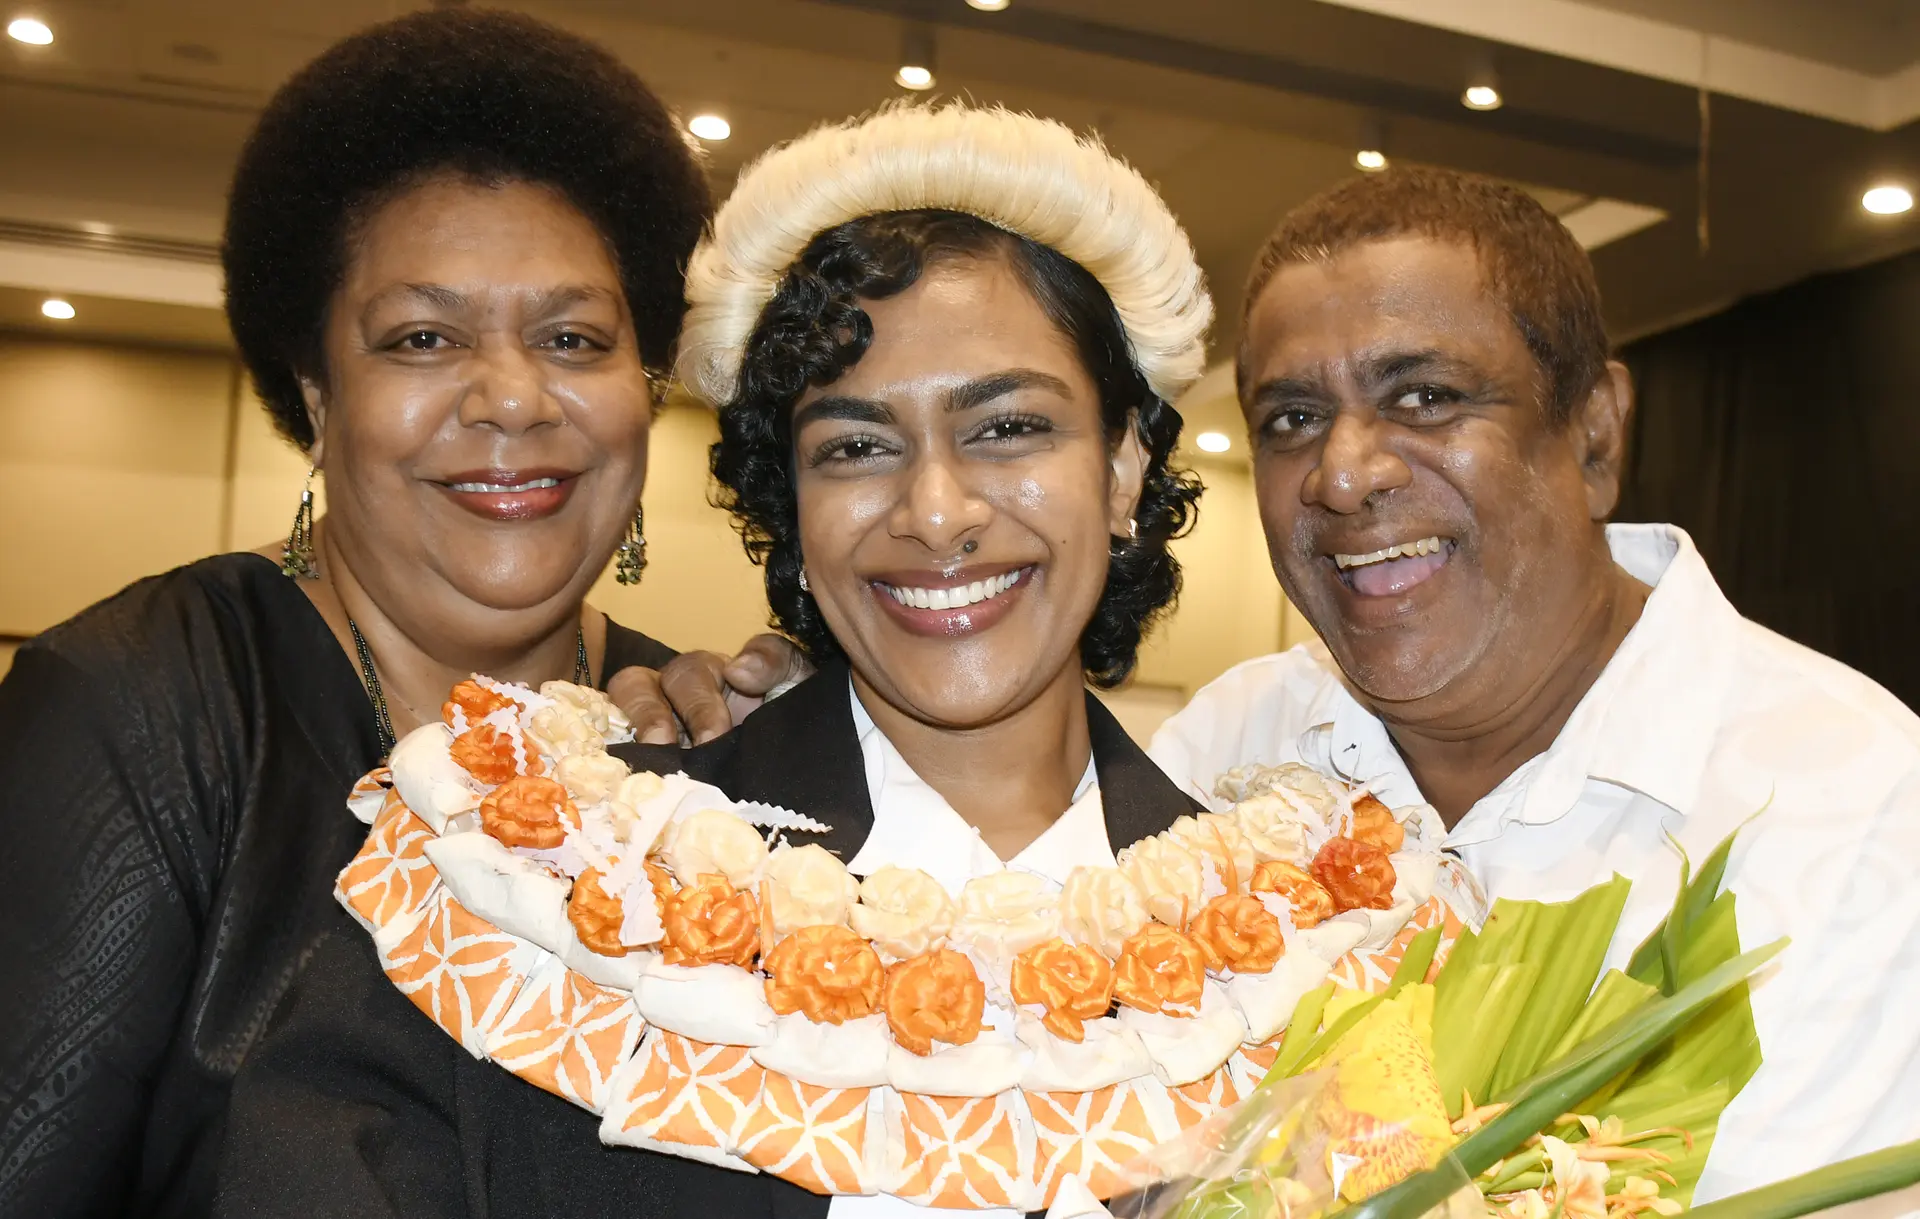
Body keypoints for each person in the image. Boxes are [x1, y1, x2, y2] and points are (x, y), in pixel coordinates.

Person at [658, 166, 1920, 1205]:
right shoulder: (1236, 761)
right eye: (1292, 419)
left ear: (1593, 433)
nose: (1348, 474)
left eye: (1425, 396)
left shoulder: (1857, 810)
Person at [214, 102, 1212, 1218]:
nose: (936, 512)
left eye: (1009, 427)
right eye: (856, 447)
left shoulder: (1298, 956)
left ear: (1124, 466)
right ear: (792, 503)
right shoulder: (537, 899)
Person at [0, 12, 710, 1216]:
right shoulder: (151, 704)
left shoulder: (696, 749)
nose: (512, 397)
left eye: (574, 337)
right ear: (318, 397)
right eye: (424, 338)